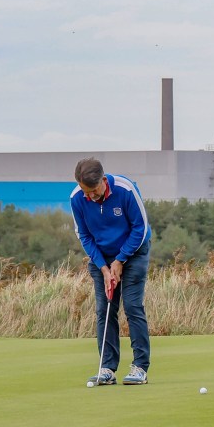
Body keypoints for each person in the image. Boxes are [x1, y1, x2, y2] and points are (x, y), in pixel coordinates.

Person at [70, 158, 152, 386]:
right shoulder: (77, 197)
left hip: (134, 251)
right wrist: (104, 268)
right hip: (102, 257)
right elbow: (84, 235)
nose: (91, 197)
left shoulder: (125, 190)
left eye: (94, 191)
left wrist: (121, 259)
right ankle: (107, 368)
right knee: (104, 310)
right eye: (86, 192)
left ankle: (140, 367)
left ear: (103, 180)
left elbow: (140, 228)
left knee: (133, 306)